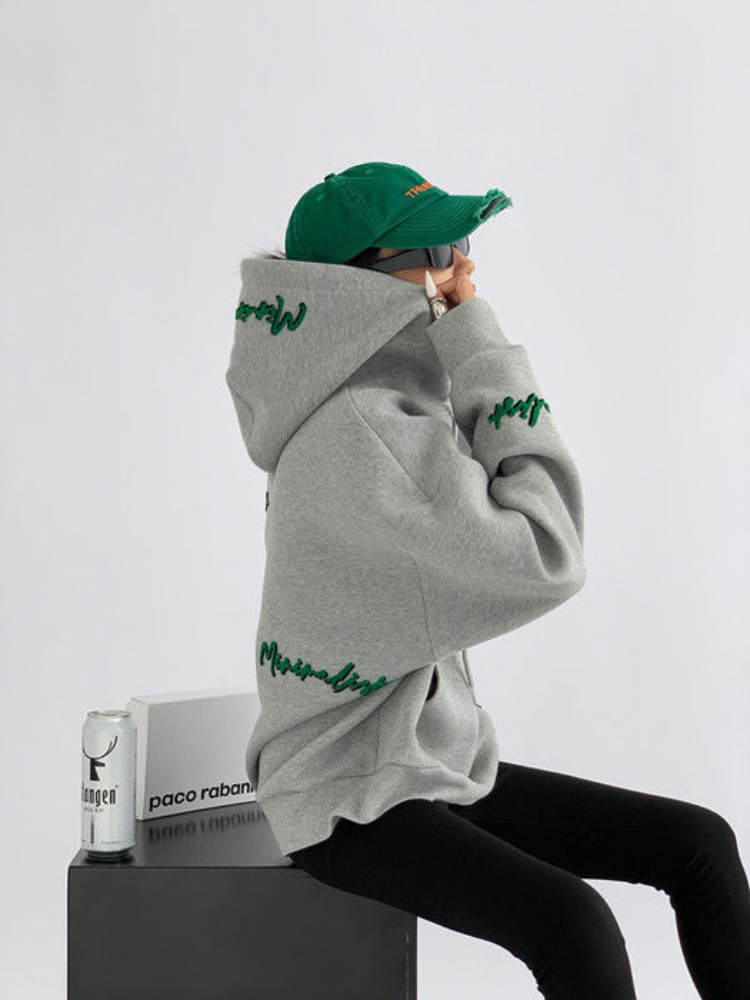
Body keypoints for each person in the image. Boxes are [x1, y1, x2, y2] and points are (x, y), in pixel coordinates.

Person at [225, 161, 750, 998]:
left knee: (698, 844)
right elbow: (545, 551)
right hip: (350, 795)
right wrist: (476, 338)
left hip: (423, 762)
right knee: (571, 923)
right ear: (359, 286)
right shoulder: (365, 430)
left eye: (463, 243)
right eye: (439, 251)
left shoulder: (376, 404)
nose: (463, 268)